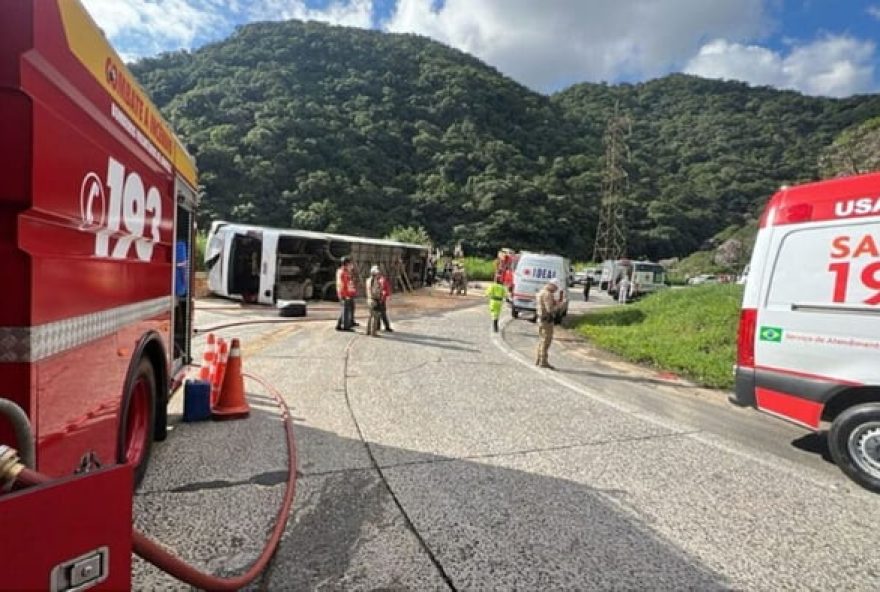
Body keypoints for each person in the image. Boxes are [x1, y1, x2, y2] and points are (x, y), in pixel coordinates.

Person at [535, 278, 564, 369]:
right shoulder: (548, 294)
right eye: (555, 288)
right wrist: (559, 305)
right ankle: (543, 361)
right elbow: (550, 310)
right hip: (546, 320)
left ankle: (538, 359)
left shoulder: (541, 292)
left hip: (541, 319)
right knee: (546, 341)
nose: (556, 290)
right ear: (552, 285)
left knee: (541, 340)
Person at [336, 257, 357, 331]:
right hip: (344, 294)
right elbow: (344, 285)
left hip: (346, 293)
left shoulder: (344, 271)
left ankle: (338, 325)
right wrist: (346, 295)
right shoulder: (343, 273)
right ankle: (346, 327)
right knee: (345, 311)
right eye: (350, 264)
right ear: (346, 264)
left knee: (345, 310)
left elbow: (349, 284)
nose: (351, 265)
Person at [365, 265, 384, 337]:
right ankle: (373, 333)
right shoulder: (375, 281)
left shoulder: (368, 280)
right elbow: (375, 291)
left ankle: (368, 331)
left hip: (369, 299)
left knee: (370, 316)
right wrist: (379, 297)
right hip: (374, 299)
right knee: (375, 317)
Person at [377, 267, 393, 332]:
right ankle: (384, 326)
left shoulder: (381, 280)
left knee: (381, 314)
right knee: (380, 313)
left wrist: (385, 296)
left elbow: (385, 290)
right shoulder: (382, 280)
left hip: (380, 299)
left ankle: (384, 327)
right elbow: (387, 290)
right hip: (381, 299)